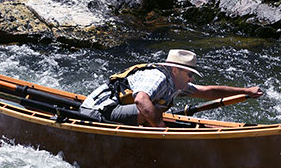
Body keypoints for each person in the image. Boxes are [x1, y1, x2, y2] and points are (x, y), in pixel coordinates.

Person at [80, 49, 263, 127]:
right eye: (189, 74)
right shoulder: (158, 77)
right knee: (152, 109)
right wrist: (161, 129)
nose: (191, 78)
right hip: (96, 112)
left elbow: (209, 91)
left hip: (112, 111)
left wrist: (245, 91)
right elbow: (140, 100)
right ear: (175, 70)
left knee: (156, 109)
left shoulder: (176, 83)